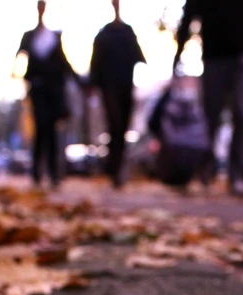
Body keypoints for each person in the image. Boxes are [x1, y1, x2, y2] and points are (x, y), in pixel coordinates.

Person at [173, 0, 243, 197]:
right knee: (210, 116)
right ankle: (205, 170)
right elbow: (189, 17)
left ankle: (237, 176)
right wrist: (178, 54)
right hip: (214, 57)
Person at [17, 1, 78, 188]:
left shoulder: (54, 37)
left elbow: (64, 63)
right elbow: (19, 56)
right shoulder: (29, 36)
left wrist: (81, 82)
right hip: (38, 90)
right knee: (41, 129)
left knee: (51, 131)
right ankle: (37, 173)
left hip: (54, 92)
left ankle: (52, 173)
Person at [89, 0, 146, 189]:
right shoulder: (104, 34)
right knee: (115, 126)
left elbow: (139, 56)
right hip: (110, 87)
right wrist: (94, 85)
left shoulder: (127, 31)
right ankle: (114, 168)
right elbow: (95, 64)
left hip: (125, 86)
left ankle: (118, 167)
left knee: (121, 128)